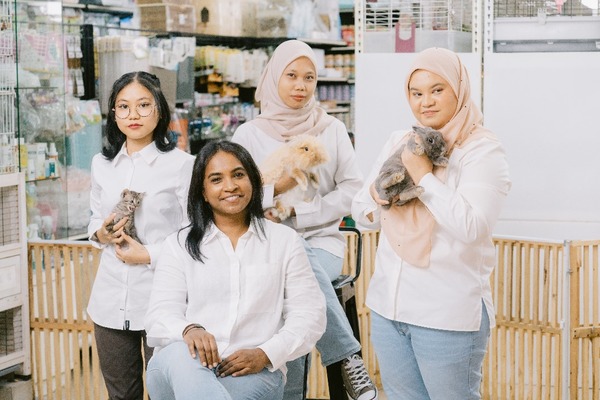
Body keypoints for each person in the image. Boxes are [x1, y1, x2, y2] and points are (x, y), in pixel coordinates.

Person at [351, 47, 511, 399]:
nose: (426, 102)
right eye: (416, 92)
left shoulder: (482, 150)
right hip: (388, 309)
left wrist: (423, 178)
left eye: (437, 90)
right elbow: (361, 212)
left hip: (446, 314)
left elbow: (472, 226)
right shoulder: (402, 140)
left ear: (460, 88)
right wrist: (378, 197)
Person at [231, 39, 378, 400]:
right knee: (291, 280)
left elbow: (352, 190)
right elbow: (234, 195)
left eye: (309, 78)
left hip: (322, 242)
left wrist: (302, 212)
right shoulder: (248, 134)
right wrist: (276, 190)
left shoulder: (331, 129)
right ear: (273, 78)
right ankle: (346, 357)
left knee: (294, 274)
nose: (300, 86)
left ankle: (291, 394)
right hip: (264, 245)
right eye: (291, 76)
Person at [143, 140, 326, 400]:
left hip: (254, 371)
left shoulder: (284, 241)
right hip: (181, 365)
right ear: (203, 192)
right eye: (216, 179)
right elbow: (159, 314)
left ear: (253, 181)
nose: (230, 186)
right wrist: (189, 330)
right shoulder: (179, 245)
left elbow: (310, 316)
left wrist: (265, 353)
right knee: (181, 357)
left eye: (238, 175)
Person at [87, 71, 195, 400]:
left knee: (168, 393)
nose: (133, 115)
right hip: (109, 302)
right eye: (123, 107)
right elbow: (93, 220)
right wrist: (103, 232)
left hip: (164, 298)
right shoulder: (101, 164)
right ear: (113, 114)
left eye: (143, 105)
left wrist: (148, 254)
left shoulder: (182, 165)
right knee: (122, 395)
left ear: (159, 110)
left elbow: (196, 232)